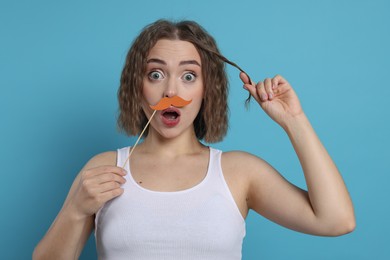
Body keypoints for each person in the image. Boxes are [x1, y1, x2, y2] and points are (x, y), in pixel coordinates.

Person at [33, 19, 355, 259]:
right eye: (155, 74)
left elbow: (336, 220)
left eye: (189, 76)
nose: (171, 91)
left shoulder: (239, 172)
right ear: (137, 85)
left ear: (206, 89)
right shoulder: (104, 168)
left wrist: (294, 121)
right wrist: (75, 210)